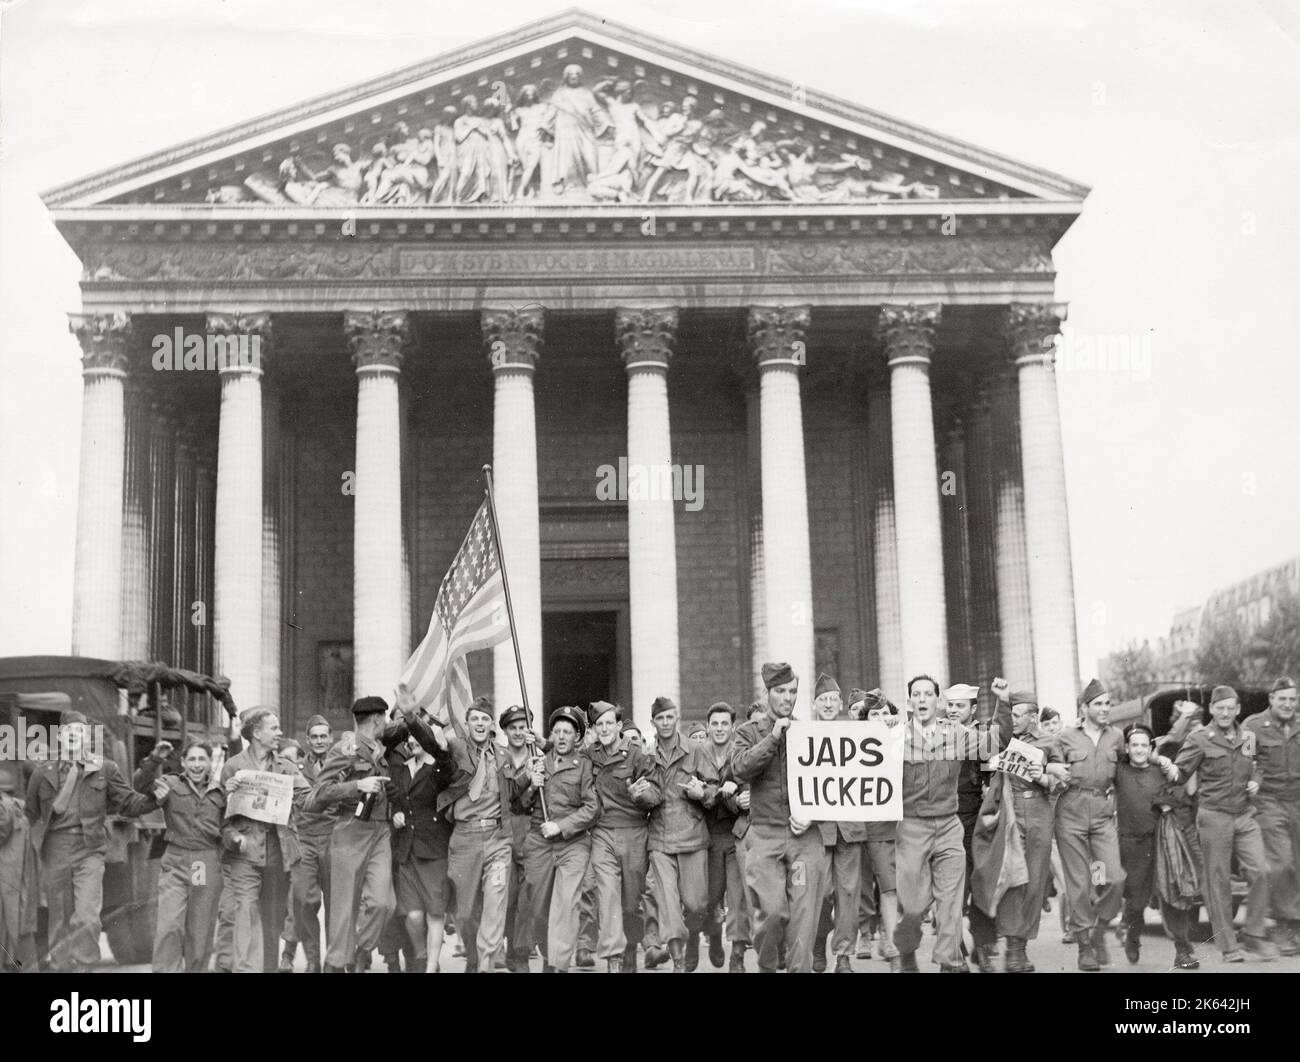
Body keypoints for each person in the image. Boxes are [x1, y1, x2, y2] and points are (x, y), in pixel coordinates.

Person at [26, 710, 162, 970]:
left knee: (87, 915)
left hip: (90, 848)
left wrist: (154, 800)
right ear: (60, 737)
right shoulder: (42, 772)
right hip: (55, 849)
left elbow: (128, 802)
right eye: (69, 732)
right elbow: (30, 815)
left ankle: (85, 964)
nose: (75, 736)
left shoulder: (105, 768)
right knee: (60, 916)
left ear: (87, 737)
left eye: (80, 732)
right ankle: (60, 966)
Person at [730, 662, 830, 973]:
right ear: (767, 693)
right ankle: (768, 966)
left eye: (793, 692)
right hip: (765, 834)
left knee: (803, 920)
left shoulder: (809, 733)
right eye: (781, 691)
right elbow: (741, 768)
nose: (788, 697)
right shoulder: (748, 733)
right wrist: (773, 738)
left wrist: (814, 817)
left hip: (804, 838)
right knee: (771, 913)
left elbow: (834, 785)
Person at [893, 674, 995, 973]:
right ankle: (907, 951)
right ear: (909, 701)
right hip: (911, 827)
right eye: (916, 694)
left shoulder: (956, 734)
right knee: (911, 907)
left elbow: (992, 744)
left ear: (937, 701)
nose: (922, 699)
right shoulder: (895, 736)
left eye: (928, 694)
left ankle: (949, 961)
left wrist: (1001, 704)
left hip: (949, 825)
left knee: (950, 901)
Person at [1172, 684, 1278, 962]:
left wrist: (1257, 780)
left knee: (1262, 871)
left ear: (1238, 710)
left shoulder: (1248, 737)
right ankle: (1228, 945)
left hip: (1244, 815)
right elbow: (1179, 773)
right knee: (1218, 881)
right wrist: (1160, 765)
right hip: (1214, 816)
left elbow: (1257, 765)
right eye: (1220, 708)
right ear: (1211, 710)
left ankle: (1253, 935)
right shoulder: (1199, 738)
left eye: (1230, 708)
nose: (1225, 713)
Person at [971, 690, 1065, 973]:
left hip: (1037, 812)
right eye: (1010, 714)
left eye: (1017, 715)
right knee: (1013, 880)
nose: (1012, 719)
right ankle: (1012, 949)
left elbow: (1062, 782)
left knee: (1035, 882)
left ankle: (1020, 946)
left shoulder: (1048, 742)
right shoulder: (1002, 739)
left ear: (1033, 717)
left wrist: (1044, 777)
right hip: (1007, 812)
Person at [307, 696, 399, 973]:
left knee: (384, 904)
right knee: (344, 909)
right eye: (386, 719)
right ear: (377, 720)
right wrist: (358, 784)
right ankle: (335, 964)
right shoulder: (344, 750)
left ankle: (362, 949)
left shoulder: (380, 749)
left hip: (381, 832)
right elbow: (319, 793)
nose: (387, 724)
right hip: (350, 830)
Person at [220, 706, 310, 973]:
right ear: (257, 733)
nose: (279, 732)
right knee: (246, 913)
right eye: (274, 728)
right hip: (244, 856)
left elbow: (309, 798)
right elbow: (220, 820)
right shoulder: (233, 767)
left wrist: (336, 790)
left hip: (278, 855)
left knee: (273, 922)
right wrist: (233, 833)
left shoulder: (286, 767)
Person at [512, 706, 599, 972]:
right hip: (539, 843)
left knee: (565, 903)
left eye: (568, 732)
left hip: (573, 844)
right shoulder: (538, 762)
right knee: (538, 910)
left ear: (577, 738)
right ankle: (550, 955)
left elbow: (591, 808)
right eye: (557, 731)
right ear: (552, 734)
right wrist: (531, 783)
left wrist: (561, 826)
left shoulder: (584, 766)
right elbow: (518, 805)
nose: (561, 737)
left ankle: (558, 965)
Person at [438, 694, 516, 973]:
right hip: (464, 838)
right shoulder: (457, 749)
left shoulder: (503, 755)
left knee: (495, 901)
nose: (480, 723)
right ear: (467, 724)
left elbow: (515, 793)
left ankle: (485, 962)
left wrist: (530, 776)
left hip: (496, 838)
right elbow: (435, 746)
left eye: (485, 719)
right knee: (465, 911)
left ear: (491, 724)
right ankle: (472, 955)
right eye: (475, 719)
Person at [1054, 678, 1127, 970]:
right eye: (1098, 703)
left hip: (1102, 812)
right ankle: (1085, 947)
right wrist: (1050, 767)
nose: (1105, 708)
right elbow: (1051, 766)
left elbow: (1126, 769)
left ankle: (1099, 931)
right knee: (1079, 883)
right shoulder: (1065, 737)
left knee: (1115, 878)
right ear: (1084, 708)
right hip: (1070, 810)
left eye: (1108, 703)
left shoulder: (1117, 737)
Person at [134, 740, 224, 972]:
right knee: (169, 924)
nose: (196, 765)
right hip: (176, 859)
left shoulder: (220, 790)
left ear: (209, 763)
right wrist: (155, 759)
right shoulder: (170, 784)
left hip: (202, 863)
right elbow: (140, 784)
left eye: (201, 759)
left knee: (199, 927)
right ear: (183, 762)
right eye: (191, 759)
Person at [583, 701, 660, 972]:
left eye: (609, 723)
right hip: (603, 831)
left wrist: (642, 795)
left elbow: (655, 794)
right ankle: (613, 959)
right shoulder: (590, 754)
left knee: (631, 901)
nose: (604, 729)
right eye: (599, 724)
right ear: (594, 729)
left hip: (634, 832)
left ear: (619, 726)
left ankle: (630, 946)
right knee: (608, 895)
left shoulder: (637, 754)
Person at [1113, 724, 1198, 969]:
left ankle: (1183, 951)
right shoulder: (1119, 770)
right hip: (1131, 844)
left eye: (1144, 745)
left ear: (1150, 748)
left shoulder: (1160, 769)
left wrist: (1165, 799)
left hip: (1161, 842)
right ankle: (1132, 937)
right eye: (1134, 745)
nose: (1139, 750)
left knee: (1173, 898)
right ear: (1127, 748)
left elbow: (1179, 793)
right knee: (1136, 901)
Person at [646, 695, 720, 971]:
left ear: (677, 718)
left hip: (692, 836)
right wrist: (641, 795)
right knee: (668, 903)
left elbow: (714, 788)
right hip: (660, 838)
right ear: (652, 722)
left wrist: (703, 793)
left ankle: (704, 928)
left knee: (696, 902)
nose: (665, 722)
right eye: (660, 718)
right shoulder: (647, 755)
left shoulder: (695, 749)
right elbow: (645, 791)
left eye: (669, 717)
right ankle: (678, 959)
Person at [386, 720, 454, 972]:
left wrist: (415, 719)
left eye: (416, 737)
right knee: (413, 915)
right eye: (408, 738)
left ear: (427, 742)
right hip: (407, 852)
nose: (411, 742)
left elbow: (447, 764)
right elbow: (395, 800)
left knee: (435, 913)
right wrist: (396, 815)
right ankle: (421, 954)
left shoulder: (438, 769)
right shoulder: (400, 770)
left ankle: (431, 966)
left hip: (433, 851)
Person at [945, 680, 1003, 972]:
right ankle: (954, 950)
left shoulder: (982, 735)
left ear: (973, 708)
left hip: (975, 817)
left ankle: (982, 946)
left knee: (982, 883)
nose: (954, 711)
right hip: (945, 817)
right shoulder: (938, 734)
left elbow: (992, 776)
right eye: (951, 705)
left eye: (960, 706)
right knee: (952, 887)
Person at [810, 673, 866, 973]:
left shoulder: (856, 735)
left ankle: (843, 955)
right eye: (823, 700)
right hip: (818, 829)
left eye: (833, 699)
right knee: (822, 892)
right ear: (814, 705)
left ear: (841, 703)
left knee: (848, 892)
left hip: (850, 827)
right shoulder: (803, 737)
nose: (829, 705)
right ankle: (818, 942)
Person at [1243, 676, 1300, 955]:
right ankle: (1283, 924)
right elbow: (1241, 762)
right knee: (1282, 863)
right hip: (1268, 802)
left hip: (1297, 801)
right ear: (1271, 700)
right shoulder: (1253, 727)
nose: (1288, 704)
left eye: (1292, 699)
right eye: (1283, 699)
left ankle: (1294, 923)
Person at [699, 700, 751, 973]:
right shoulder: (699, 753)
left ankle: (738, 954)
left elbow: (749, 786)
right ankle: (714, 934)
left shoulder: (739, 753)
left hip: (736, 834)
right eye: (715, 724)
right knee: (710, 897)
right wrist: (720, 792)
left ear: (733, 727)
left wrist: (742, 798)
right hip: (707, 835)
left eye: (724, 724)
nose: (719, 729)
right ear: (707, 727)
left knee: (738, 895)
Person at [286, 715, 334, 972]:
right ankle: (313, 959)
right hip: (304, 838)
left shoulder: (340, 767)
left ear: (330, 738)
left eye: (323, 736)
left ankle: (333, 961)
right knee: (303, 900)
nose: (318, 741)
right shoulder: (296, 769)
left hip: (333, 837)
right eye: (314, 737)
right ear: (307, 740)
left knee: (335, 904)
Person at [857, 690, 901, 968]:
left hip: (886, 826)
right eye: (875, 714)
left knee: (888, 886)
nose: (882, 719)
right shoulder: (850, 745)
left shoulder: (901, 743)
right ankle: (864, 934)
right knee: (859, 887)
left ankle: (891, 941)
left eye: (886, 713)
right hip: (857, 826)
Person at [499, 705, 538, 972]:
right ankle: (509, 944)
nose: (518, 732)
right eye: (512, 728)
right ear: (504, 731)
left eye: (523, 727)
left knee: (527, 896)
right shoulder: (498, 759)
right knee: (507, 894)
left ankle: (521, 952)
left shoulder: (538, 757)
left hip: (531, 829)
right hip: (504, 829)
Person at [0, 771, 39, 973]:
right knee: (18, 925)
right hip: (14, 880)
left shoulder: (3, 808)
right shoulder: (16, 806)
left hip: (6, 877)